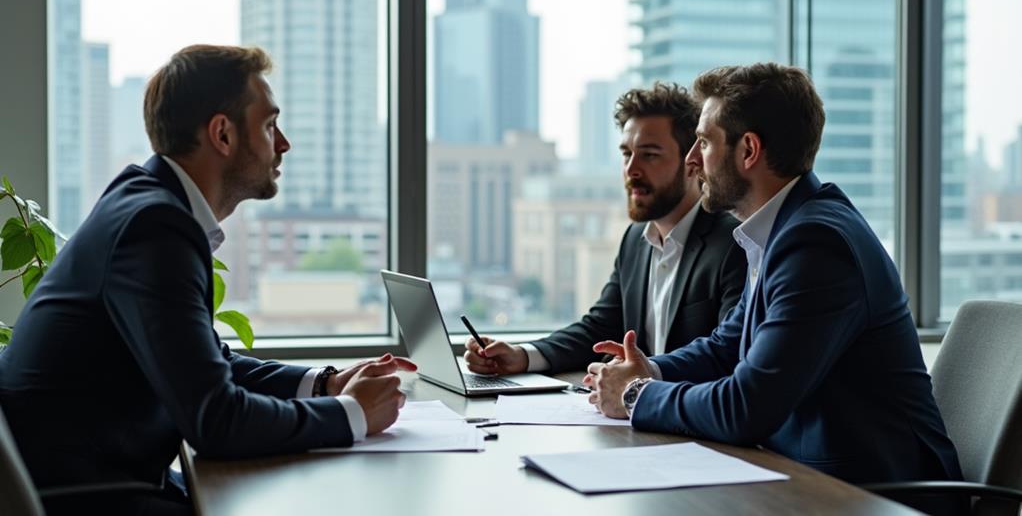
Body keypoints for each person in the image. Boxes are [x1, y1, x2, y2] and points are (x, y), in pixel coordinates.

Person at [0, 45, 414, 515]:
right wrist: (353, 414)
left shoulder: (148, 204)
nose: (284, 143)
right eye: (268, 125)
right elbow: (216, 420)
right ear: (222, 134)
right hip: (96, 500)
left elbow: (210, 364)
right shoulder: (155, 227)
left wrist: (326, 383)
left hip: (104, 482)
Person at [584, 63, 963, 511]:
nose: (691, 161)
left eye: (703, 143)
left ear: (748, 150)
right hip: (808, 480)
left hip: (873, 495)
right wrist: (648, 370)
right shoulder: (780, 229)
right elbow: (728, 346)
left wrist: (636, 396)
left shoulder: (816, 243)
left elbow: (746, 407)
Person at [464, 83, 746, 375]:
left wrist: (644, 375)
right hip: (636, 414)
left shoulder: (733, 242)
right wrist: (521, 355)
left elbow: (724, 355)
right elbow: (600, 328)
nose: (632, 169)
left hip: (689, 415)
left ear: (691, 162)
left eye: (649, 155)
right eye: (627, 154)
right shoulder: (635, 240)